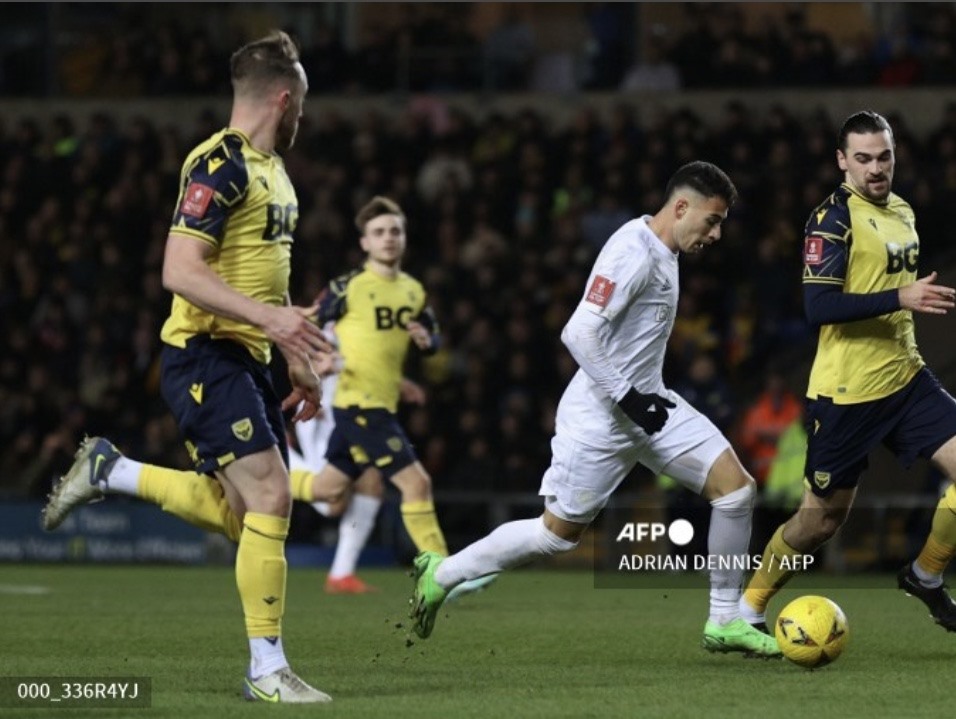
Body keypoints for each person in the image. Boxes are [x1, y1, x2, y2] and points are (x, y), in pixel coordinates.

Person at [41, 31, 335, 703]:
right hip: (205, 352)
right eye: (303, 105)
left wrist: (295, 359)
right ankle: (266, 668)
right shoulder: (220, 164)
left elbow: (269, 286)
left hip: (251, 358)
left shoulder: (273, 172)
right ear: (283, 98)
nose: (304, 119)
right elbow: (179, 270)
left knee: (244, 518)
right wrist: (272, 325)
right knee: (273, 497)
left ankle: (110, 469)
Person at [409, 161, 779, 657]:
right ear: (681, 207)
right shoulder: (633, 252)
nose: (716, 234)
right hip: (603, 417)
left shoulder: (664, 249)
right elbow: (578, 332)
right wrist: (627, 396)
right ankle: (444, 572)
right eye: (712, 221)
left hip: (650, 405)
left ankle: (725, 619)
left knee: (735, 491)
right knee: (555, 537)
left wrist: (639, 397)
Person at [738, 110, 956, 634]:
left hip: (906, 379)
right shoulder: (831, 219)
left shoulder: (902, 209)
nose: (875, 168)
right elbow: (819, 308)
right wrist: (900, 296)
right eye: (863, 159)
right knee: (820, 523)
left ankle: (925, 575)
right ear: (842, 161)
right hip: (847, 394)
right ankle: (747, 610)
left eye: (884, 157)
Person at [289, 195, 496, 600]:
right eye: (379, 232)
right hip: (356, 406)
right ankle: (446, 576)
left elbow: (431, 338)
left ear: (404, 238)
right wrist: (317, 362)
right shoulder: (346, 288)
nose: (388, 238)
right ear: (364, 242)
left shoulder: (413, 292)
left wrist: (427, 342)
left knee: (327, 492)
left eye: (395, 231)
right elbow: (302, 325)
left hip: (381, 402)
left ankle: (274, 473)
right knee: (416, 483)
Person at [287, 322, 427, 595]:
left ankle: (341, 574)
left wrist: (397, 380)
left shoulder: (366, 325)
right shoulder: (331, 326)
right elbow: (311, 362)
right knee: (332, 501)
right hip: (322, 419)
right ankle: (280, 457)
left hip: (352, 419)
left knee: (372, 482)